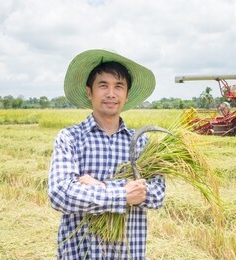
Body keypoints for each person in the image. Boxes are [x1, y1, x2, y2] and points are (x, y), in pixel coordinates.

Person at [48, 49, 166, 260]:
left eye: (118, 86)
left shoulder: (142, 144)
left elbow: (157, 195)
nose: (111, 93)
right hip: (81, 252)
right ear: (89, 92)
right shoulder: (70, 138)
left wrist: (102, 187)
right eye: (103, 85)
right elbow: (60, 194)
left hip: (128, 253)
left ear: (127, 95)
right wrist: (122, 195)